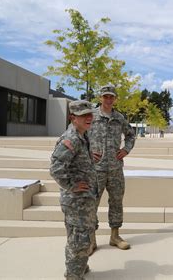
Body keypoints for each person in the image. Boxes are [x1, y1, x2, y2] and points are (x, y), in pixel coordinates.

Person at [50, 100, 98, 280]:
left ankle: (79, 267)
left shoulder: (83, 135)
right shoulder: (70, 139)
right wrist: (72, 185)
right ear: (72, 118)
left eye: (90, 114)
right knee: (79, 240)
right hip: (76, 200)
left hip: (84, 199)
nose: (89, 118)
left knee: (81, 235)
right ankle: (73, 275)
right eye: (83, 115)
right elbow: (56, 168)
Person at [88, 84, 135, 253]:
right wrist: (87, 153)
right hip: (95, 169)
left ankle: (115, 236)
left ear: (115, 99)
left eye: (111, 97)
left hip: (115, 169)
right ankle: (91, 239)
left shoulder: (119, 118)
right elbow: (78, 134)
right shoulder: (90, 116)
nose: (108, 99)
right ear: (100, 98)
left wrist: (125, 149)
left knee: (116, 202)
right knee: (92, 204)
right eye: (105, 96)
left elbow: (130, 135)